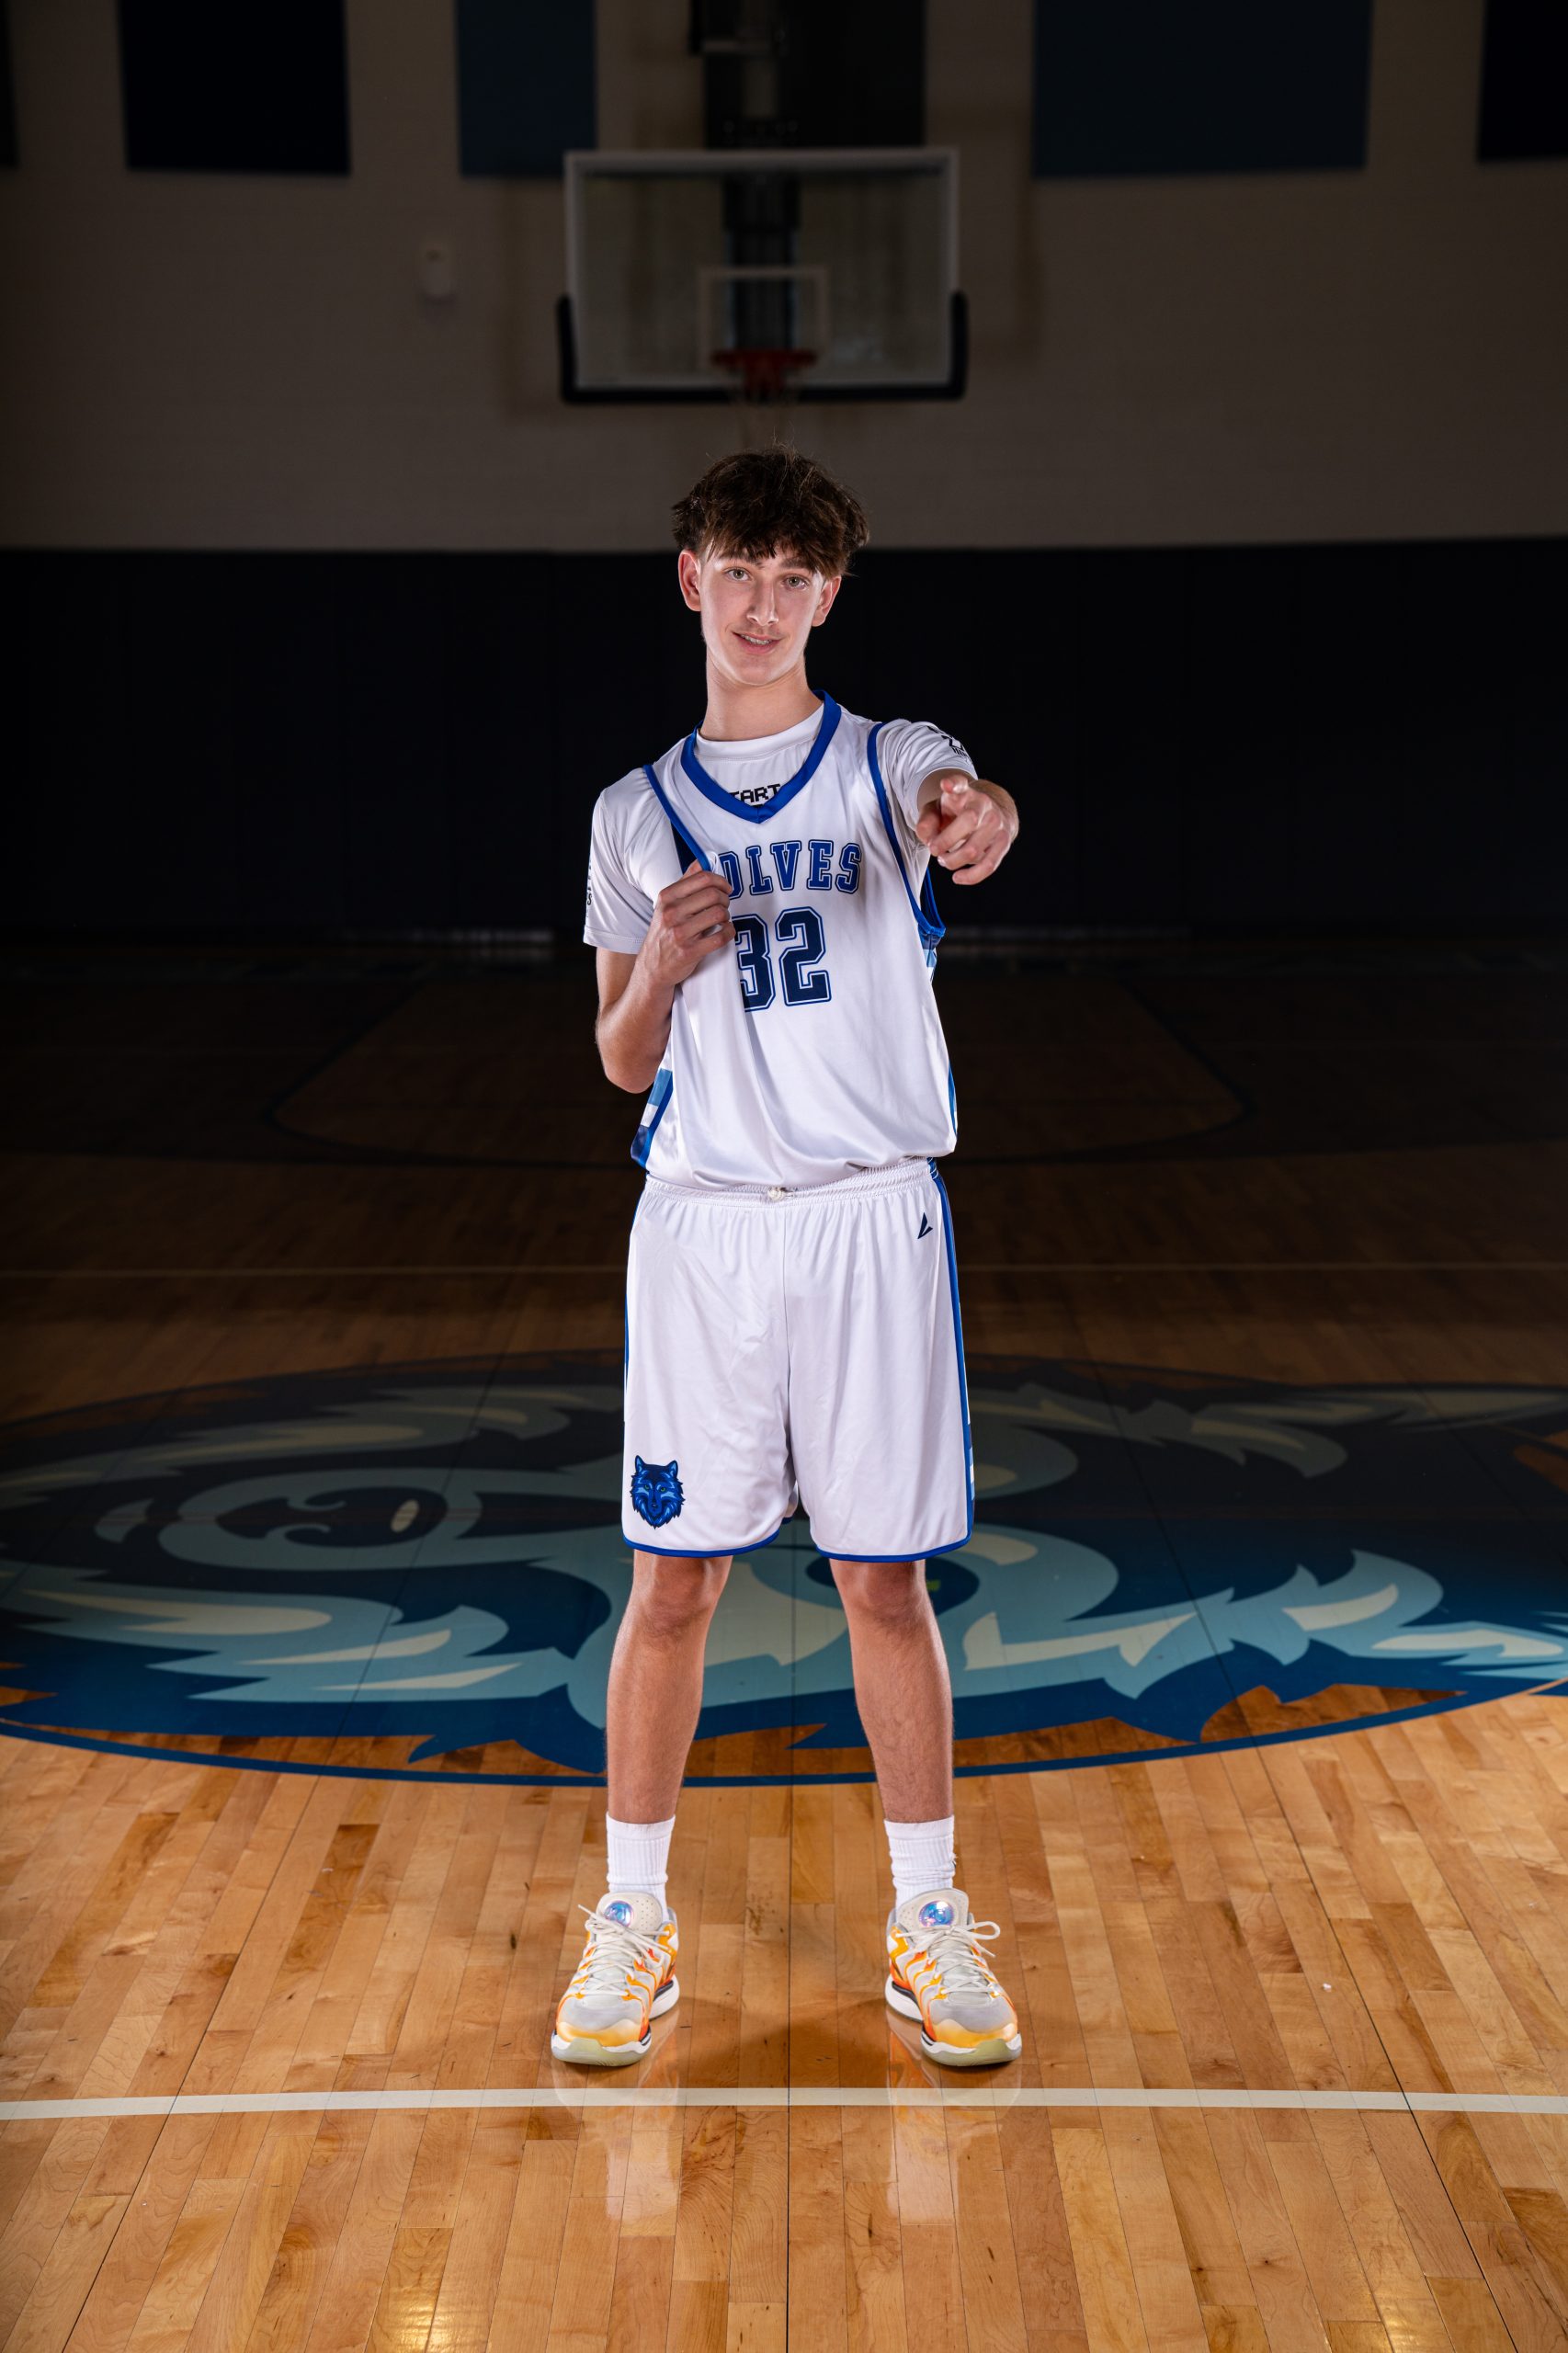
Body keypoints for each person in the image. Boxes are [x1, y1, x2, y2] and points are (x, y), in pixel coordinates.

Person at [558, 445, 1021, 2070]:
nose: (762, 605)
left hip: (864, 1214)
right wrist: (659, 971)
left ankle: (928, 1917)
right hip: (700, 1227)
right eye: (738, 573)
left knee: (882, 1580)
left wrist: (975, 816)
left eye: (794, 579)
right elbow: (618, 1057)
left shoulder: (888, 761)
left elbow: (968, 802)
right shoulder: (632, 812)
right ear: (692, 581)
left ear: (830, 596)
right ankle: (630, 1920)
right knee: (670, 1581)